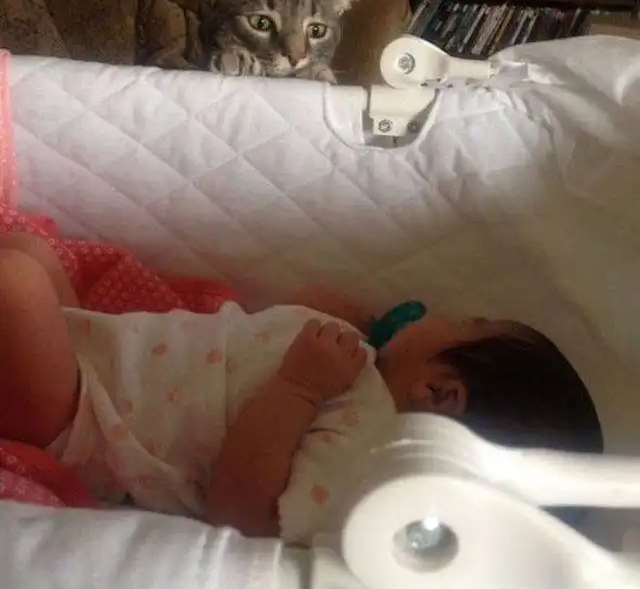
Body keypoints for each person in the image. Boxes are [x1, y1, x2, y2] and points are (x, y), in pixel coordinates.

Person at [0, 233, 603, 544]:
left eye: (465, 323)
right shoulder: (356, 366)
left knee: (16, 281)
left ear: (440, 392)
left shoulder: (361, 452)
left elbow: (241, 514)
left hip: (88, 423)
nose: (442, 314)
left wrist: (299, 385)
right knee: (31, 255)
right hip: (102, 349)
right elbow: (276, 327)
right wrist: (337, 323)